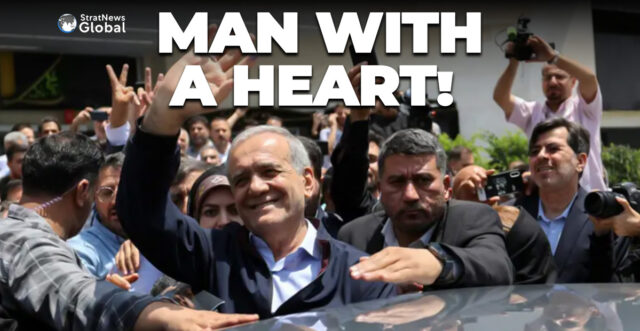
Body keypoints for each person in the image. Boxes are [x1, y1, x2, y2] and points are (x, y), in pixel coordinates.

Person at [116, 40, 395, 316]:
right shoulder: (215, 255)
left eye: (269, 172)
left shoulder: (362, 273)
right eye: (240, 180)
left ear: (308, 181)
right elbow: (145, 214)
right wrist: (163, 118)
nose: (256, 187)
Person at [0, 131, 257, 330]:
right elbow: (76, 298)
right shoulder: (25, 242)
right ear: (82, 192)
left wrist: (102, 287)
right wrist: (165, 315)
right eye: (103, 192)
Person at [338, 129, 513, 289]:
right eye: (397, 182)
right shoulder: (355, 236)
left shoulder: (474, 219)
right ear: (381, 188)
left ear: (446, 187)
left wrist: (438, 264)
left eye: (423, 180)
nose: (410, 195)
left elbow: (498, 267)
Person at [493, 35, 605, 191]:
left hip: (591, 199)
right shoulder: (533, 112)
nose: (552, 82)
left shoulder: (584, 108)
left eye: (559, 76)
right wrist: (514, 61)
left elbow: (589, 78)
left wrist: (553, 57)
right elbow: (500, 97)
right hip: (549, 202)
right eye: (547, 77)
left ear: (573, 82)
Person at [515, 117, 611, 283]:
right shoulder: (512, 216)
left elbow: (611, 283)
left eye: (553, 149)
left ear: (580, 162)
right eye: (534, 151)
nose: (542, 156)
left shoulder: (602, 217)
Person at [67, 152, 163, 293]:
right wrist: (102, 295)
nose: (116, 201)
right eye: (107, 192)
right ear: (94, 197)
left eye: (127, 190)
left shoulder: (162, 238)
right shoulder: (80, 250)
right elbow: (75, 300)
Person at [451, 165, 556, 284]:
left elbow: (536, 289)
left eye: (483, 188)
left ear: (495, 197)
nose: (477, 194)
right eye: (470, 191)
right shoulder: (446, 229)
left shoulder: (520, 228)